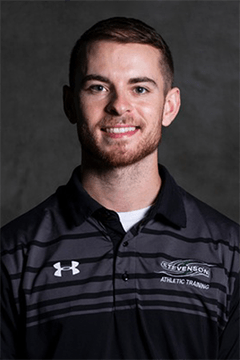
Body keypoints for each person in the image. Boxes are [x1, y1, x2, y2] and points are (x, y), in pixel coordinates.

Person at [0, 17, 239, 360]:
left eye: (139, 88)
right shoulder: (12, 254)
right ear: (70, 103)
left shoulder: (229, 253)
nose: (119, 105)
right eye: (98, 87)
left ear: (169, 106)